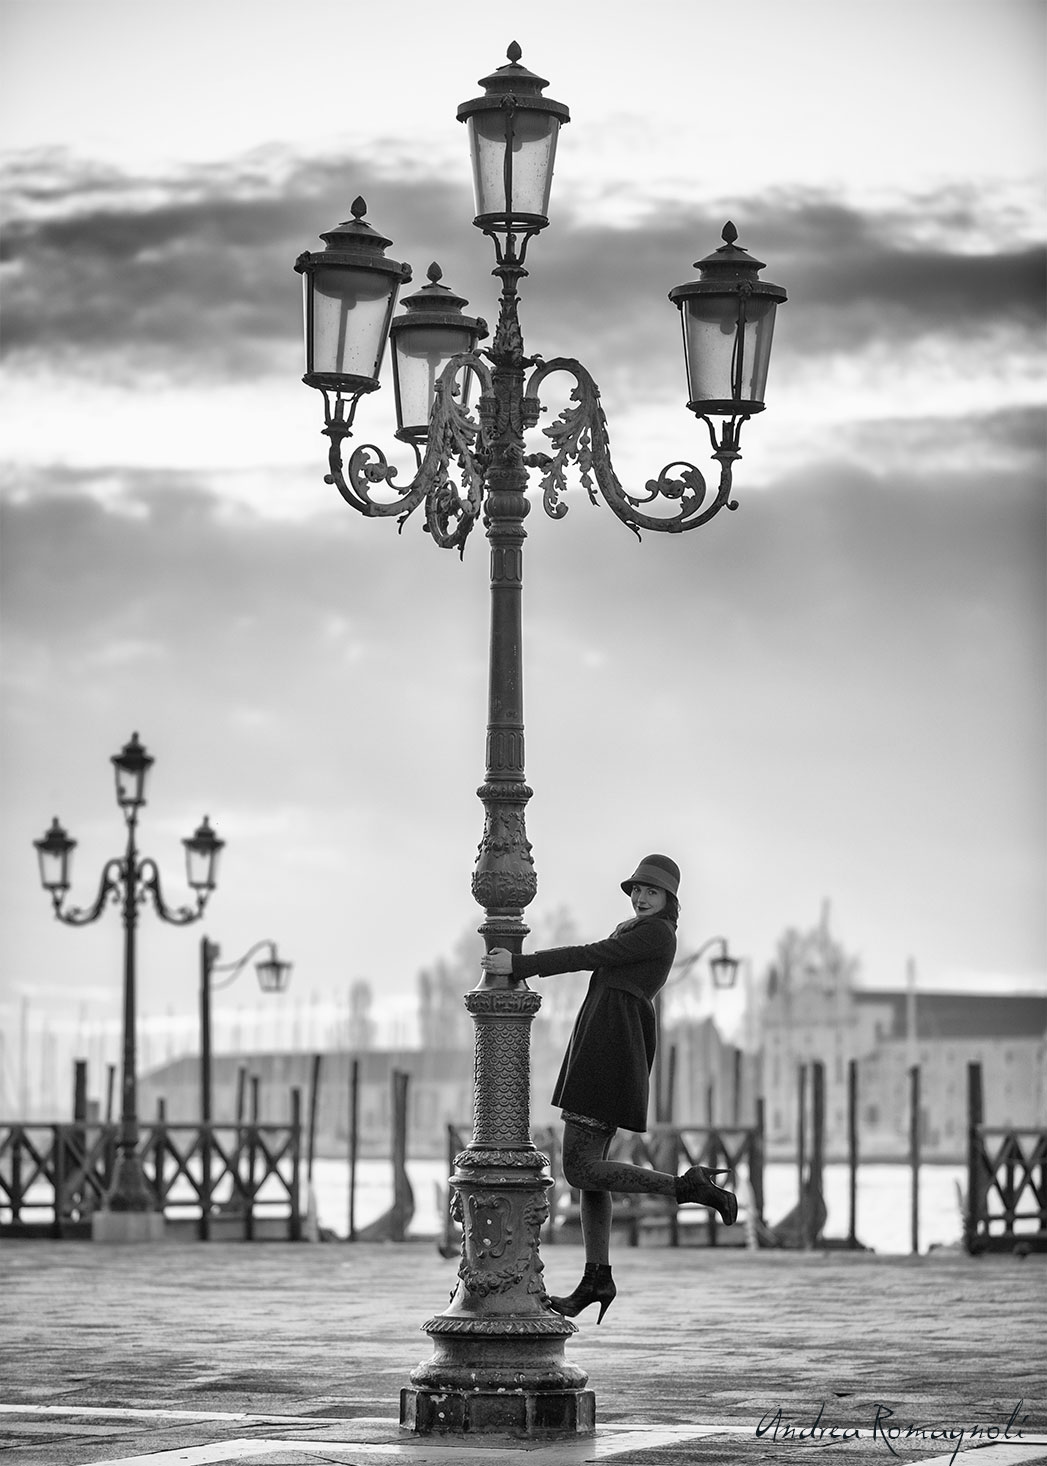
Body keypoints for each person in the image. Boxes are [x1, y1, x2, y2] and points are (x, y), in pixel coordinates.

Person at [479, 852, 737, 1325]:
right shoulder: (641, 930)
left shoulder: (655, 933)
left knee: (578, 1169)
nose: (640, 896)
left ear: (669, 900)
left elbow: (589, 956)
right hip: (607, 1044)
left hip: (609, 1052)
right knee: (591, 1174)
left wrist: (520, 964)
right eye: (637, 889)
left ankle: (686, 1186)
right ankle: (597, 1275)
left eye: (651, 891)